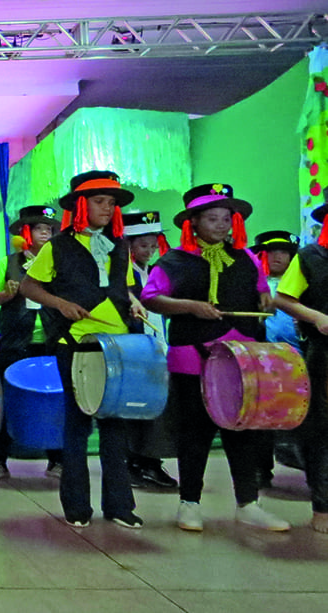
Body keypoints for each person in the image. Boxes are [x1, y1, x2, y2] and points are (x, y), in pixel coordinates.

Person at [142, 183, 289, 532]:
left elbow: (261, 292)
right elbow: (151, 298)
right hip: (193, 357)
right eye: (212, 218)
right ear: (193, 222)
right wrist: (190, 307)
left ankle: (248, 504)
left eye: (226, 218)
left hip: (243, 359)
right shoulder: (173, 260)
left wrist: (266, 301)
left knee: (244, 430)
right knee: (195, 431)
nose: (221, 225)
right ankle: (189, 503)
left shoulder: (247, 257)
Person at [20, 171, 148, 529]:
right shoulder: (57, 247)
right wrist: (60, 304)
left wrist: (135, 302)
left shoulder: (119, 246)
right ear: (81, 205)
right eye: (99, 201)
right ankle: (76, 507)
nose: (107, 208)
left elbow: (124, 287)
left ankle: (120, 506)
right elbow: (29, 287)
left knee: (115, 425)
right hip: (76, 343)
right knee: (77, 425)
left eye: (111, 203)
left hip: (118, 345)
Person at [0, 205, 62, 482]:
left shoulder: (58, 263)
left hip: (51, 343)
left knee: (53, 400)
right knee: (8, 401)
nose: (46, 234)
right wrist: (6, 294)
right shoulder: (9, 263)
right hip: (16, 345)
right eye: (40, 229)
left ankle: (57, 460)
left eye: (49, 229)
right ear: (26, 233)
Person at [274, 203, 328, 533]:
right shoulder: (310, 257)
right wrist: (317, 317)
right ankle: (323, 507)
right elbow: (283, 298)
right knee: (322, 431)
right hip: (324, 351)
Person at [121, 211, 178, 489]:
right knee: (135, 409)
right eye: (143, 245)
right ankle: (134, 463)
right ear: (128, 245)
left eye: (153, 246)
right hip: (134, 351)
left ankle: (150, 462)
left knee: (156, 408)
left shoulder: (154, 271)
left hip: (157, 348)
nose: (150, 251)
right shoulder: (122, 274)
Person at [250, 230, 302, 488]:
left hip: (301, 358)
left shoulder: (302, 284)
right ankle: (261, 468)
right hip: (264, 360)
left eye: (284, 252)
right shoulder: (253, 285)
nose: (277, 257)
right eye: (271, 252)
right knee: (262, 416)